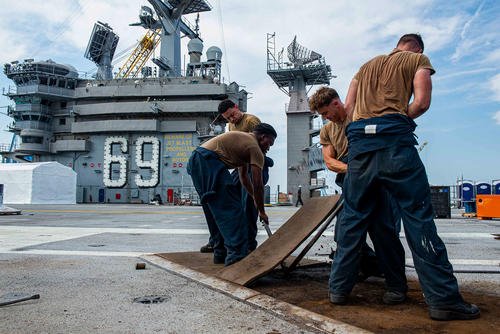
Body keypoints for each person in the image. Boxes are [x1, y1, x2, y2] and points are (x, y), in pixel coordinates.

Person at [329, 34, 480, 320]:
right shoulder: (417, 60)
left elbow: (348, 110)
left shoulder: (365, 66)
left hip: (359, 147)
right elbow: (421, 102)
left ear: (397, 44)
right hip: (395, 144)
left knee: (352, 218)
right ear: (418, 48)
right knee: (417, 218)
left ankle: (338, 289)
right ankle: (443, 301)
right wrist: (396, 121)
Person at [310, 86, 404, 293]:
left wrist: (367, 171)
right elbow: (329, 161)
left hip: (376, 182)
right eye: (321, 115)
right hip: (350, 182)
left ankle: (396, 288)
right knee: (343, 235)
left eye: (326, 113)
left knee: (385, 234)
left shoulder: (360, 115)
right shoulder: (327, 130)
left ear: (336, 103)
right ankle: (367, 270)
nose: (325, 118)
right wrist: (354, 171)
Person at [187, 123, 277, 266]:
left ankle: (220, 253)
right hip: (209, 161)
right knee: (234, 212)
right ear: (263, 137)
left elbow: (245, 179)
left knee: (214, 210)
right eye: (269, 143)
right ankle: (237, 258)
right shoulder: (255, 148)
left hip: (196, 160)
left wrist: (253, 198)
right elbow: (258, 184)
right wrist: (261, 210)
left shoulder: (243, 142)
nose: (268, 148)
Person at [200, 99, 273, 253]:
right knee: (229, 202)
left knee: (249, 206)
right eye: (228, 118)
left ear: (236, 107)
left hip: (255, 165)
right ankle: (221, 242)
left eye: (232, 115)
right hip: (241, 167)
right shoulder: (231, 125)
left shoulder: (251, 121)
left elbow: (258, 149)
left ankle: (249, 245)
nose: (231, 119)